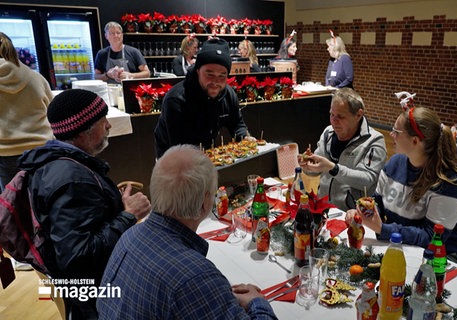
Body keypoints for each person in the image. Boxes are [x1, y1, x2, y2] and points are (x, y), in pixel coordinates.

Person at [97, 145, 277, 319]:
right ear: (203, 205)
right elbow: (187, 287)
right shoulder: (194, 279)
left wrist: (217, 296)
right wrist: (257, 302)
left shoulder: (128, 236)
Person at [18, 89, 152, 319]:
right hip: (96, 299)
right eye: (103, 121)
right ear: (82, 132)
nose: (109, 126)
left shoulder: (58, 162)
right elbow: (77, 259)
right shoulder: (72, 179)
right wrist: (128, 215)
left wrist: (112, 206)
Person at [345, 93, 457, 265]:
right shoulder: (395, 163)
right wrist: (365, 213)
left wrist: (383, 229)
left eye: (396, 131)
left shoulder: (448, 182)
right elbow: (379, 202)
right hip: (403, 246)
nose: (391, 135)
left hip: (443, 260)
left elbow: (430, 238)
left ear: (415, 141)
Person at [154, 38, 254, 158]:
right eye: (209, 74)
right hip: (172, 156)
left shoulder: (228, 94)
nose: (215, 82)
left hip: (203, 151)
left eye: (222, 76)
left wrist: (244, 137)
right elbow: (180, 148)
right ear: (197, 71)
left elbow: (237, 123)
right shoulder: (177, 99)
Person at [298, 88, 387, 211]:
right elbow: (317, 170)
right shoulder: (328, 133)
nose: (334, 121)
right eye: (331, 114)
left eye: (340, 116)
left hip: (351, 215)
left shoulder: (374, 141)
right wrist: (308, 167)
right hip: (323, 208)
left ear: (358, 115)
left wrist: (333, 168)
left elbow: (367, 180)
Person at [0, 32, 53, 193]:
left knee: (12, 206)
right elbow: (52, 111)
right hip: (42, 150)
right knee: (45, 201)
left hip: (5, 153)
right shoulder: (35, 77)